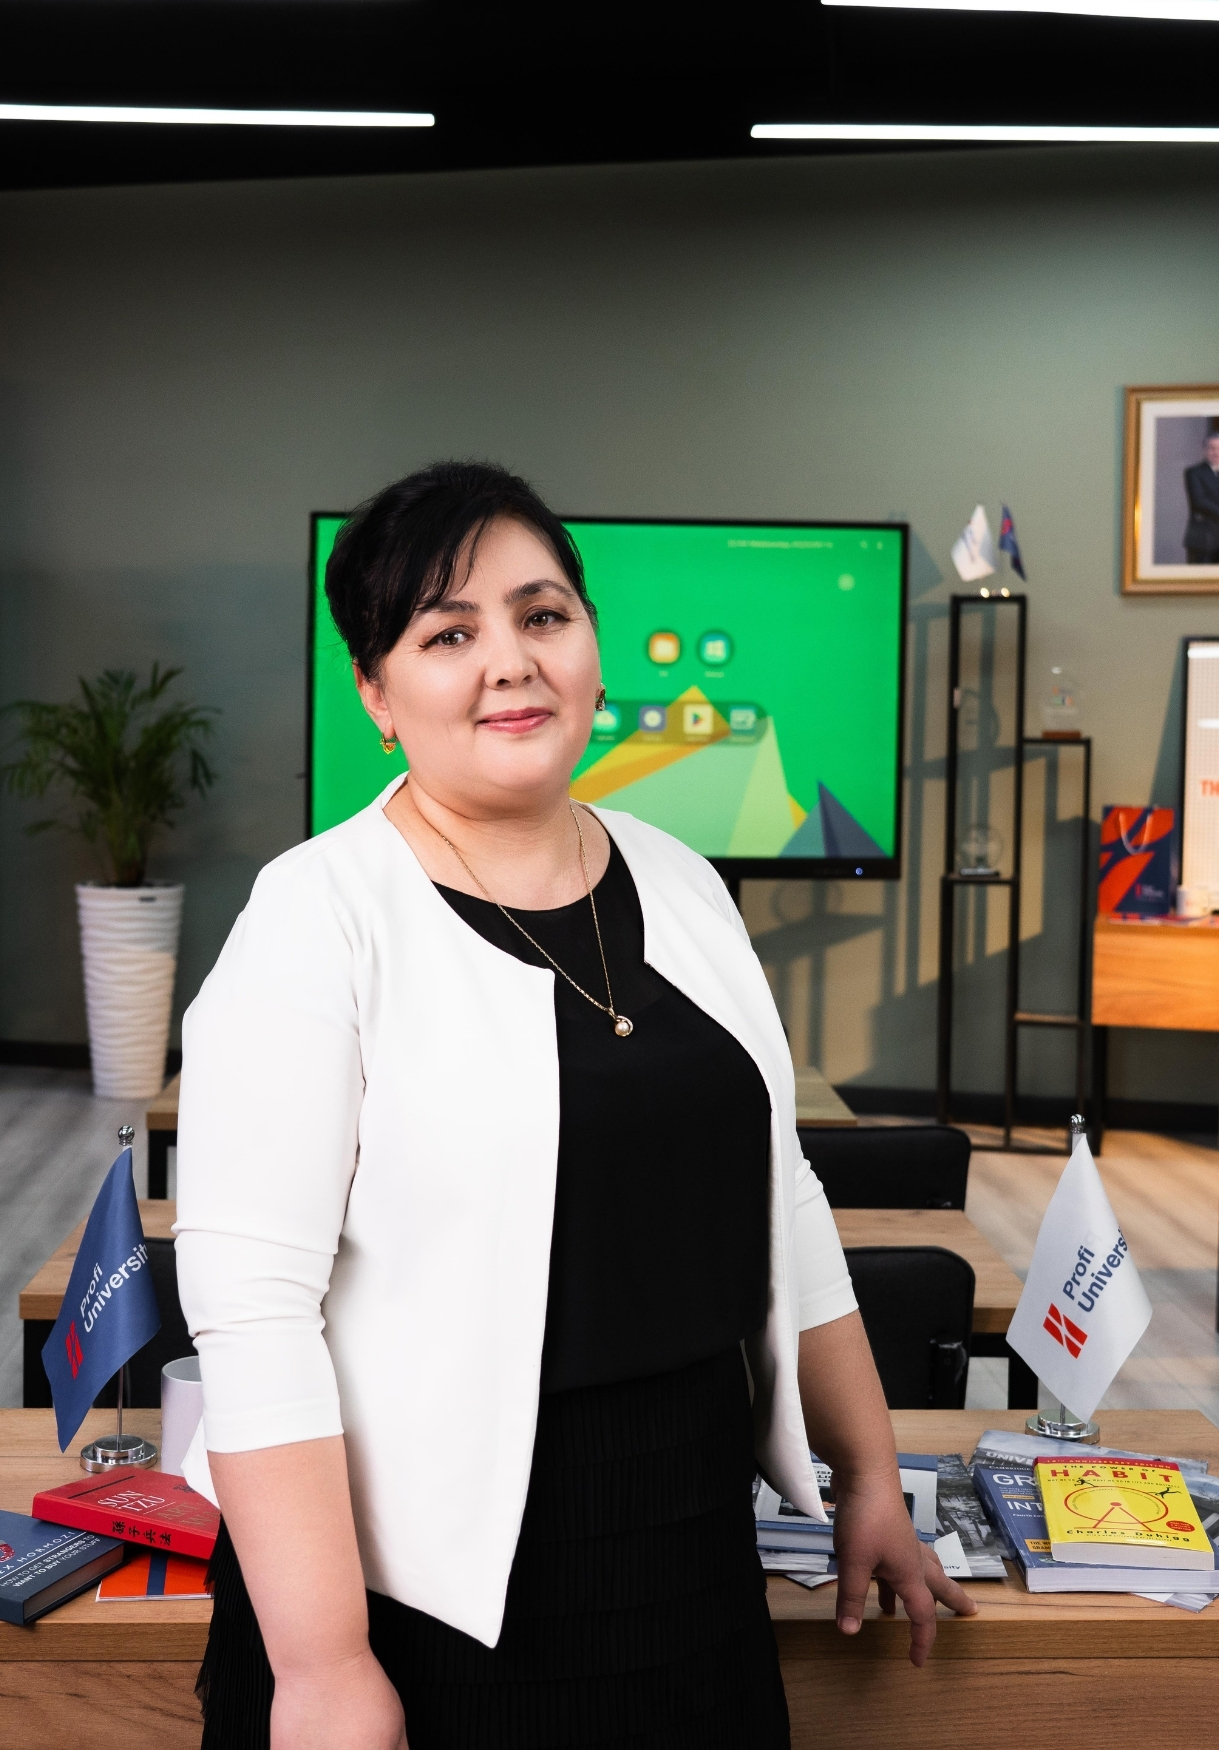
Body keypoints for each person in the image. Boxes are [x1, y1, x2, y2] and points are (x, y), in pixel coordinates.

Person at [175, 461, 973, 1750]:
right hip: (422, 1587)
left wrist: (869, 1473)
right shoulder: (315, 917)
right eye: (448, 634)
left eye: (542, 615)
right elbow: (254, 1316)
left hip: (684, 1541)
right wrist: (323, 1665)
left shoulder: (680, 879)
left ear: (592, 645)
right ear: (376, 693)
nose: (512, 661)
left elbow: (783, 1196)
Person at [1183, 431, 1219, 563]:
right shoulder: (1195, 472)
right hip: (1203, 540)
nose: (1216, 453)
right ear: (1205, 450)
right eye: (1212, 448)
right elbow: (1200, 501)